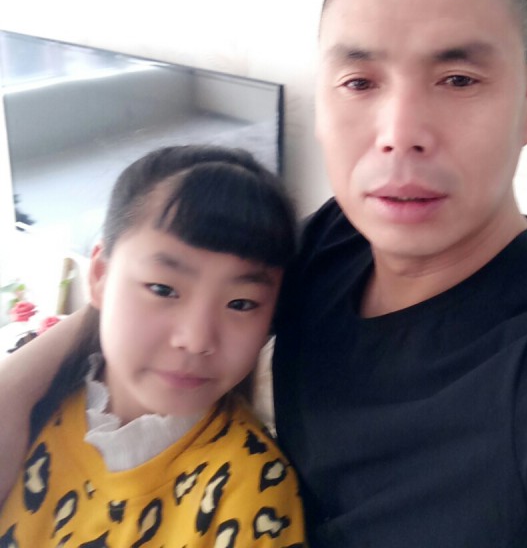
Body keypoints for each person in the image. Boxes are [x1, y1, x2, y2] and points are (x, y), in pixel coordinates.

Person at [0, 0, 527, 548]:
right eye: (360, 82)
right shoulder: (339, 238)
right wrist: (16, 388)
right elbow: (178, 282)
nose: (399, 135)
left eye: (458, 80)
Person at [0, 145, 305, 547]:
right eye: (162, 289)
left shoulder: (251, 490)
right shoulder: (33, 409)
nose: (196, 339)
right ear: (99, 275)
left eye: (241, 304)